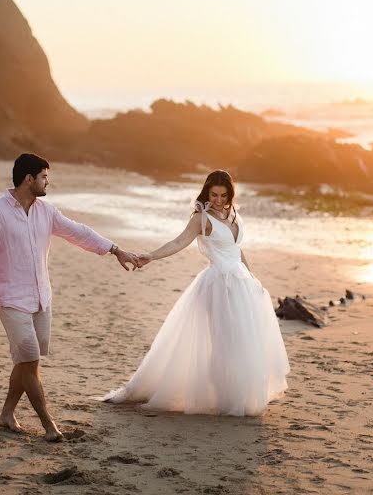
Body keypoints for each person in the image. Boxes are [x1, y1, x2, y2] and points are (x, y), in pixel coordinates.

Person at [0, 153, 139, 441]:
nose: (48, 181)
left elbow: (78, 233)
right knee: (30, 359)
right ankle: (49, 426)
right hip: (10, 299)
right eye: (45, 176)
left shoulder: (46, 212)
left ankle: (6, 414)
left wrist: (115, 250)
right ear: (29, 179)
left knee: (26, 363)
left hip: (41, 298)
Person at [104, 169, 290, 416]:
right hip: (218, 286)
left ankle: (241, 397)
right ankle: (226, 399)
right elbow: (178, 242)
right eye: (214, 195)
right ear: (206, 192)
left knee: (244, 342)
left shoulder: (233, 215)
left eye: (224, 196)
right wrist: (151, 256)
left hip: (242, 284)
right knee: (224, 342)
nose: (219, 200)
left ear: (230, 195)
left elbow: (237, 249)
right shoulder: (201, 219)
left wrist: (252, 277)